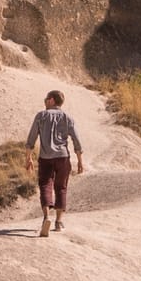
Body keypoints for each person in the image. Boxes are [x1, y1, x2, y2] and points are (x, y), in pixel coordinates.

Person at [24, 89, 85, 237]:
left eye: (46, 99)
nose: (44, 101)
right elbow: (76, 140)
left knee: (45, 185)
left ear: (51, 100)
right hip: (63, 158)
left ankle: (46, 218)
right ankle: (58, 222)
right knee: (61, 188)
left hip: (45, 158)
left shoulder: (41, 116)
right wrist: (80, 161)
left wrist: (29, 158)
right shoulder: (67, 117)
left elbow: (31, 138)